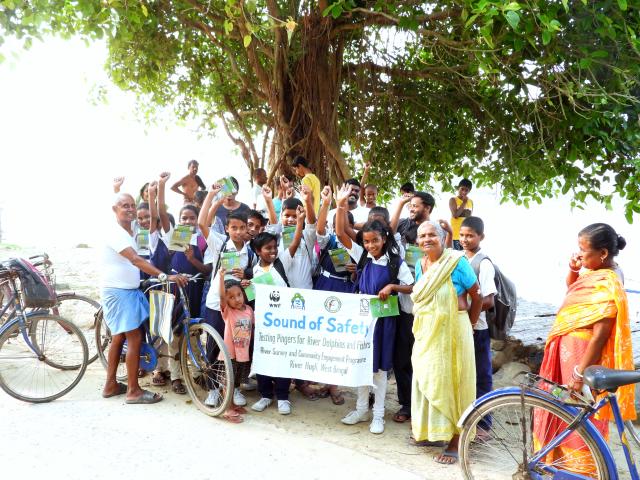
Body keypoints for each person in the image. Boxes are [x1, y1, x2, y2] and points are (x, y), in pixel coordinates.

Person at [534, 223, 634, 476]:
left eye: (583, 250)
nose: (579, 254)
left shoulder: (610, 281)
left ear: (602, 254)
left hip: (581, 358)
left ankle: (582, 471)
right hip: (565, 354)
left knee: (581, 418)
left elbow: (600, 335)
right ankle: (555, 467)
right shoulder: (593, 271)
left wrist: (579, 374)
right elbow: (572, 291)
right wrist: (573, 268)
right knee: (560, 411)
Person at [335, 186, 414, 434]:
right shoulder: (362, 255)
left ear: (385, 239)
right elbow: (340, 231)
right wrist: (339, 205)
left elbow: (411, 287)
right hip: (361, 321)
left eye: (375, 241)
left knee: (379, 370)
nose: (370, 245)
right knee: (361, 364)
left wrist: (392, 286)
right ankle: (361, 409)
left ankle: (378, 414)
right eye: (367, 241)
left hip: (384, 324)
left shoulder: (394, 262)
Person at [101, 192, 187, 404]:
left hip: (125, 291)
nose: (130, 209)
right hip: (120, 293)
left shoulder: (128, 230)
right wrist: (164, 275)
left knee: (119, 338)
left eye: (132, 205)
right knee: (134, 338)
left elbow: (156, 219)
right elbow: (135, 259)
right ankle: (133, 391)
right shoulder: (116, 233)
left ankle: (111, 385)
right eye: (125, 206)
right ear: (115, 209)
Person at [410, 220, 481, 464]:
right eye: (422, 236)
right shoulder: (420, 264)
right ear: (417, 241)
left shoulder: (456, 262)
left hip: (455, 330)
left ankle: (455, 438)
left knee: (454, 381)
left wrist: (470, 325)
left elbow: (477, 296)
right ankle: (432, 431)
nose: (427, 239)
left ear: (442, 238)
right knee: (427, 376)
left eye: (432, 235)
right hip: (427, 332)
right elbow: (422, 296)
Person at [248, 222, 304, 415]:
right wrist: (246, 284)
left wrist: (300, 219)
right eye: (267, 248)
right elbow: (251, 298)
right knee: (263, 356)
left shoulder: (281, 262)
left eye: (274, 247)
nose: (272, 251)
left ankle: (282, 397)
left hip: (284, 322)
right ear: (257, 251)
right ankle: (265, 395)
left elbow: (295, 242)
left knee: (283, 358)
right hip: (263, 324)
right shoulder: (252, 272)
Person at [313, 185, 357, 406]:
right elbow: (319, 229)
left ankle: (334, 385)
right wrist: (326, 202)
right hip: (325, 285)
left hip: (345, 289)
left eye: (341, 221)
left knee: (338, 337)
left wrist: (355, 271)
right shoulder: (328, 239)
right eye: (333, 221)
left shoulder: (358, 243)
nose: (335, 225)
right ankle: (324, 382)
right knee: (322, 335)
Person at [459, 216, 497, 432]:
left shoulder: (483, 263)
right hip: (462, 326)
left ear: (481, 237)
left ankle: (484, 424)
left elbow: (488, 300)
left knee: (481, 377)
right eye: (462, 235)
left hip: (477, 328)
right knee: (463, 374)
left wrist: (468, 313)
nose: (465, 239)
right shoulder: (459, 257)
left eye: (470, 236)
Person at [218, 270, 254, 423]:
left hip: (243, 354)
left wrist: (249, 284)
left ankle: (232, 404)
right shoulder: (228, 312)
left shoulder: (249, 310)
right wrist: (221, 277)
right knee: (228, 381)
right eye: (231, 297)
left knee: (237, 381)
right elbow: (221, 297)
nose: (237, 299)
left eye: (239, 294)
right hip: (230, 354)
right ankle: (227, 409)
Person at [449, 179, 473, 250]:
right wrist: (464, 202)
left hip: (466, 236)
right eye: (462, 189)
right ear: (458, 188)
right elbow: (455, 215)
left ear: (469, 191)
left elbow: (470, 219)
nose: (464, 192)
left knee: (465, 257)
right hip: (456, 235)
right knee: (457, 257)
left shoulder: (471, 202)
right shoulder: (453, 200)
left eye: (466, 190)